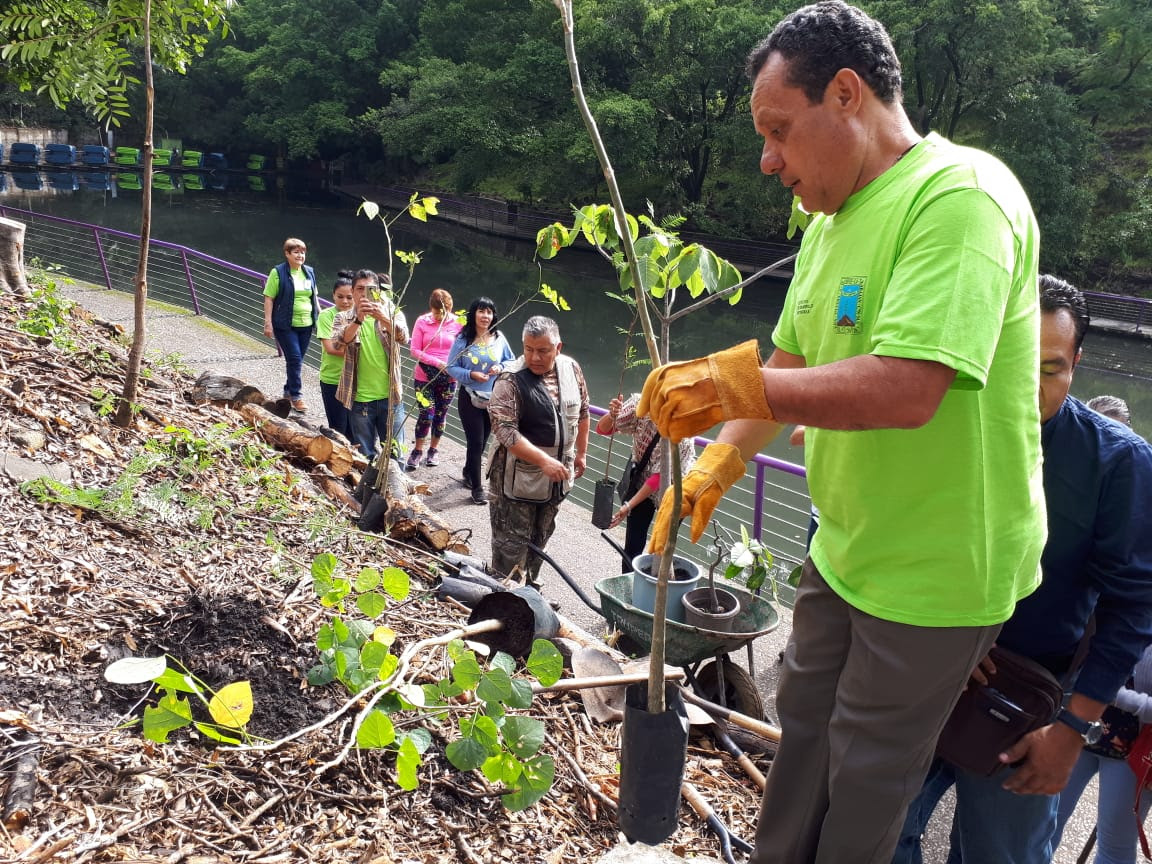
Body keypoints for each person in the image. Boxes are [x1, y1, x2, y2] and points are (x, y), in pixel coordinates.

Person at [636, 3, 1045, 861]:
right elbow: (789, 360)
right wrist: (715, 463)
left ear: (848, 94)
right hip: (848, 541)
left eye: (779, 129)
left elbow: (908, 388)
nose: (767, 158)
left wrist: (724, 381)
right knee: (805, 727)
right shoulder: (828, 226)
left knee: (868, 773)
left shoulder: (960, 197)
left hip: (940, 565)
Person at [895, 281, 1152, 864]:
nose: (1027, 388)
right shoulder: (939, 421)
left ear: (1076, 363)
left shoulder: (1115, 461)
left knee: (1000, 854)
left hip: (1031, 691)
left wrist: (1071, 730)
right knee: (880, 836)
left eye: (1051, 369)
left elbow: (1132, 606)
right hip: (926, 665)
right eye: (1012, 362)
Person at [488, 316, 589, 584]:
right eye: (529, 349)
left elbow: (583, 411)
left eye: (543, 350)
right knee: (511, 540)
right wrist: (543, 460)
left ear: (558, 348)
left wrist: (581, 453)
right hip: (515, 473)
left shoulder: (572, 369)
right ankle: (503, 593)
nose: (534, 357)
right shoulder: (510, 378)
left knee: (541, 535)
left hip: (558, 473)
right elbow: (504, 429)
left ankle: (530, 591)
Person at [596, 393, 695, 571]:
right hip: (643, 479)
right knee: (633, 544)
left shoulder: (682, 430)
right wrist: (612, 415)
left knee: (662, 546)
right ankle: (628, 586)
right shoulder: (640, 405)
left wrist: (628, 506)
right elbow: (603, 429)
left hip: (676, 488)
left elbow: (659, 477)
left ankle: (657, 587)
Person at [331, 269, 409, 460]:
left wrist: (383, 317)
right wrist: (358, 320)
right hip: (360, 400)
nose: (364, 293)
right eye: (360, 289)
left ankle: (393, 490)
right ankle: (369, 489)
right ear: (353, 291)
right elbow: (338, 342)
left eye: (370, 289)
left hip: (391, 397)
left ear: (378, 291)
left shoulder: (392, 311)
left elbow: (404, 338)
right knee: (365, 454)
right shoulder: (343, 317)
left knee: (396, 453)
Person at [445, 297, 514, 505]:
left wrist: (499, 368)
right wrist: (471, 374)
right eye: (481, 311)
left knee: (482, 442)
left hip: (493, 398)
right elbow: (451, 367)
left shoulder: (499, 337)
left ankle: (468, 471)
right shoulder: (464, 339)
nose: (485, 316)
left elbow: (511, 360)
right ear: (473, 314)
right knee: (475, 442)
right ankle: (477, 488)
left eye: (489, 312)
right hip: (470, 397)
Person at [407, 289, 463, 471]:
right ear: (431, 308)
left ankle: (433, 449)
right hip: (425, 376)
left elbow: (465, 349)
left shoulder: (458, 324)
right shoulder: (422, 322)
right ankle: (417, 450)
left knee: (441, 414)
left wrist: (454, 366)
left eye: (443, 313)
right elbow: (414, 350)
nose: (440, 317)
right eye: (436, 312)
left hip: (449, 377)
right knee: (426, 414)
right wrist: (437, 362)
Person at [262, 237, 318, 413]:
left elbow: (314, 297)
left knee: (297, 361)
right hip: (285, 324)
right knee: (294, 359)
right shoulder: (277, 272)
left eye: (302, 252)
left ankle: (287, 390)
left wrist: (320, 316)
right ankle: (296, 396)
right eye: (296, 252)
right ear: (287, 254)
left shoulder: (309, 272)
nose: (300, 255)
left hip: (306, 324)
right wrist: (268, 322)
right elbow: (269, 297)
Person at [316, 271, 355, 439]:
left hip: (356, 380)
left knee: (356, 428)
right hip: (333, 378)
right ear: (333, 296)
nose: (345, 301)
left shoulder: (361, 317)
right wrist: (359, 354)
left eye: (349, 297)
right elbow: (331, 348)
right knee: (338, 428)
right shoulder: (326, 316)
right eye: (340, 297)